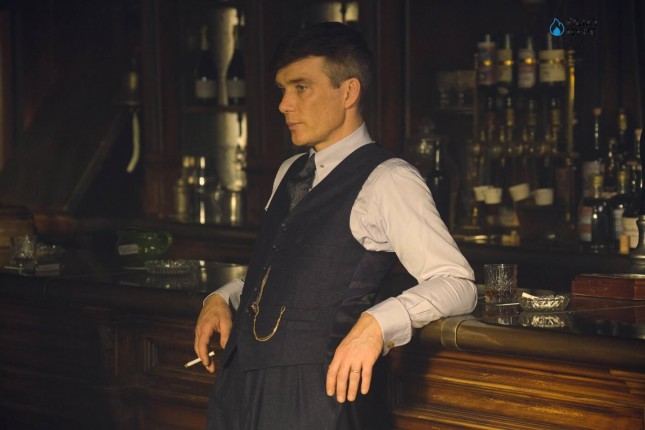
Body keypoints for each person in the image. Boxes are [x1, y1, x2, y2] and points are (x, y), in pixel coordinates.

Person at [193, 21, 477, 430]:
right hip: (241, 389)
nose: (284, 105)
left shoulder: (389, 179)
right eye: (282, 90)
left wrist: (378, 324)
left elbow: (457, 282)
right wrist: (223, 297)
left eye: (301, 88)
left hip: (318, 399)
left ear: (348, 92)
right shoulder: (290, 170)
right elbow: (287, 274)